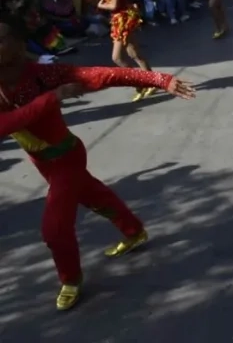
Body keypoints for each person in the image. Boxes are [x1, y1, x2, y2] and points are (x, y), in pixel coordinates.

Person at [0, 17, 195, 310]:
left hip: (66, 156)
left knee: (54, 230)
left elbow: (103, 75)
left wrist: (160, 80)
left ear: (18, 43)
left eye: (0, 38)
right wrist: (49, 100)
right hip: (42, 161)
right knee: (92, 194)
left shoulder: (44, 75)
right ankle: (134, 231)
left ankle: (71, 279)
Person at [98, 0, 157, 101]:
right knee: (134, 53)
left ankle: (140, 84)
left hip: (122, 18)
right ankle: (152, 82)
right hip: (120, 17)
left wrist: (100, 5)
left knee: (117, 57)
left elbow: (115, 5)